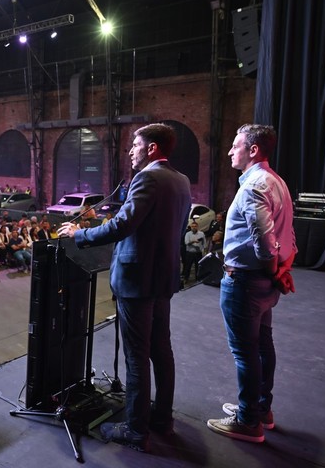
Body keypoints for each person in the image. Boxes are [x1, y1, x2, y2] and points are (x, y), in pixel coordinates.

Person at [58, 123, 191, 452]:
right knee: (162, 351)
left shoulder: (147, 177)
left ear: (152, 149)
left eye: (135, 144)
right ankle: (162, 419)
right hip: (163, 278)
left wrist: (80, 234)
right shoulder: (181, 180)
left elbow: (124, 224)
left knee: (137, 356)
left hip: (137, 280)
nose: (130, 150)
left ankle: (135, 430)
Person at [206, 124, 296, 443]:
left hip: (245, 282)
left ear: (253, 150)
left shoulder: (254, 186)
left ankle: (247, 422)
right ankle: (260, 410)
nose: (231, 151)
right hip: (263, 284)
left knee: (246, 353)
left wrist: (274, 270)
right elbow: (289, 238)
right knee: (262, 346)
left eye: (235, 145)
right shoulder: (278, 183)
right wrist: (282, 270)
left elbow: (264, 242)